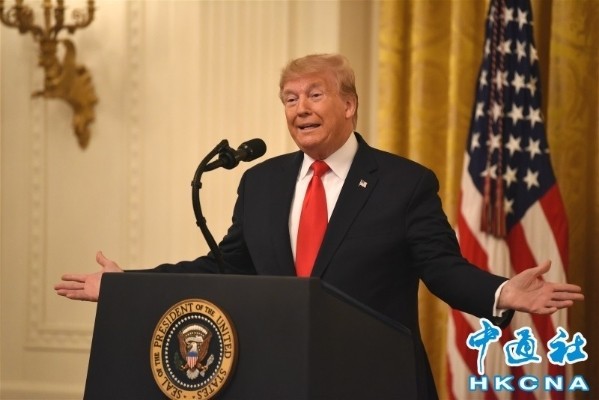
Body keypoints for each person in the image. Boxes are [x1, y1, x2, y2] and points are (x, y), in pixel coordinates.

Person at [55, 53, 583, 399]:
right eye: (290, 99)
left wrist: (502, 292)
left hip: (375, 380)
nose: (299, 108)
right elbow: (225, 267)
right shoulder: (261, 182)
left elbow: (442, 269)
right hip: (277, 378)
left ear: (349, 105)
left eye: (314, 94)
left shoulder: (404, 183)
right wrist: (128, 286)